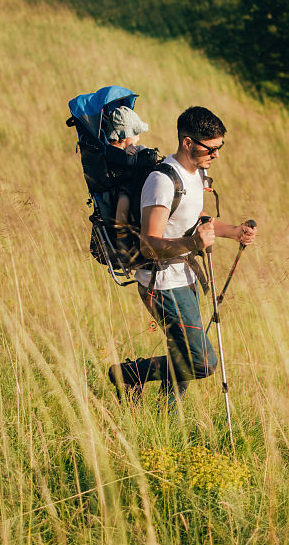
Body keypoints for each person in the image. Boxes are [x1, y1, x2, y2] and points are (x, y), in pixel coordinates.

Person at [108, 106, 257, 404]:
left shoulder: (196, 173)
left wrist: (235, 231)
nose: (216, 155)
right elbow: (149, 243)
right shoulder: (162, 182)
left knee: (183, 354)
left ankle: (166, 423)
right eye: (211, 148)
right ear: (188, 142)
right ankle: (129, 374)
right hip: (162, 284)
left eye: (219, 147)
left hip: (185, 278)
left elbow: (197, 217)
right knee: (202, 362)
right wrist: (192, 245)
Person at [100, 105, 149, 233]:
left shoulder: (130, 149)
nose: (138, 137)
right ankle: (121, 236)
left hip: (132, 183)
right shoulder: (110, 151)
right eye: (136, 133)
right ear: (124, 136)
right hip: (118, 188)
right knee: (124, 201)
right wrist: (123, 154)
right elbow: (111, 157)